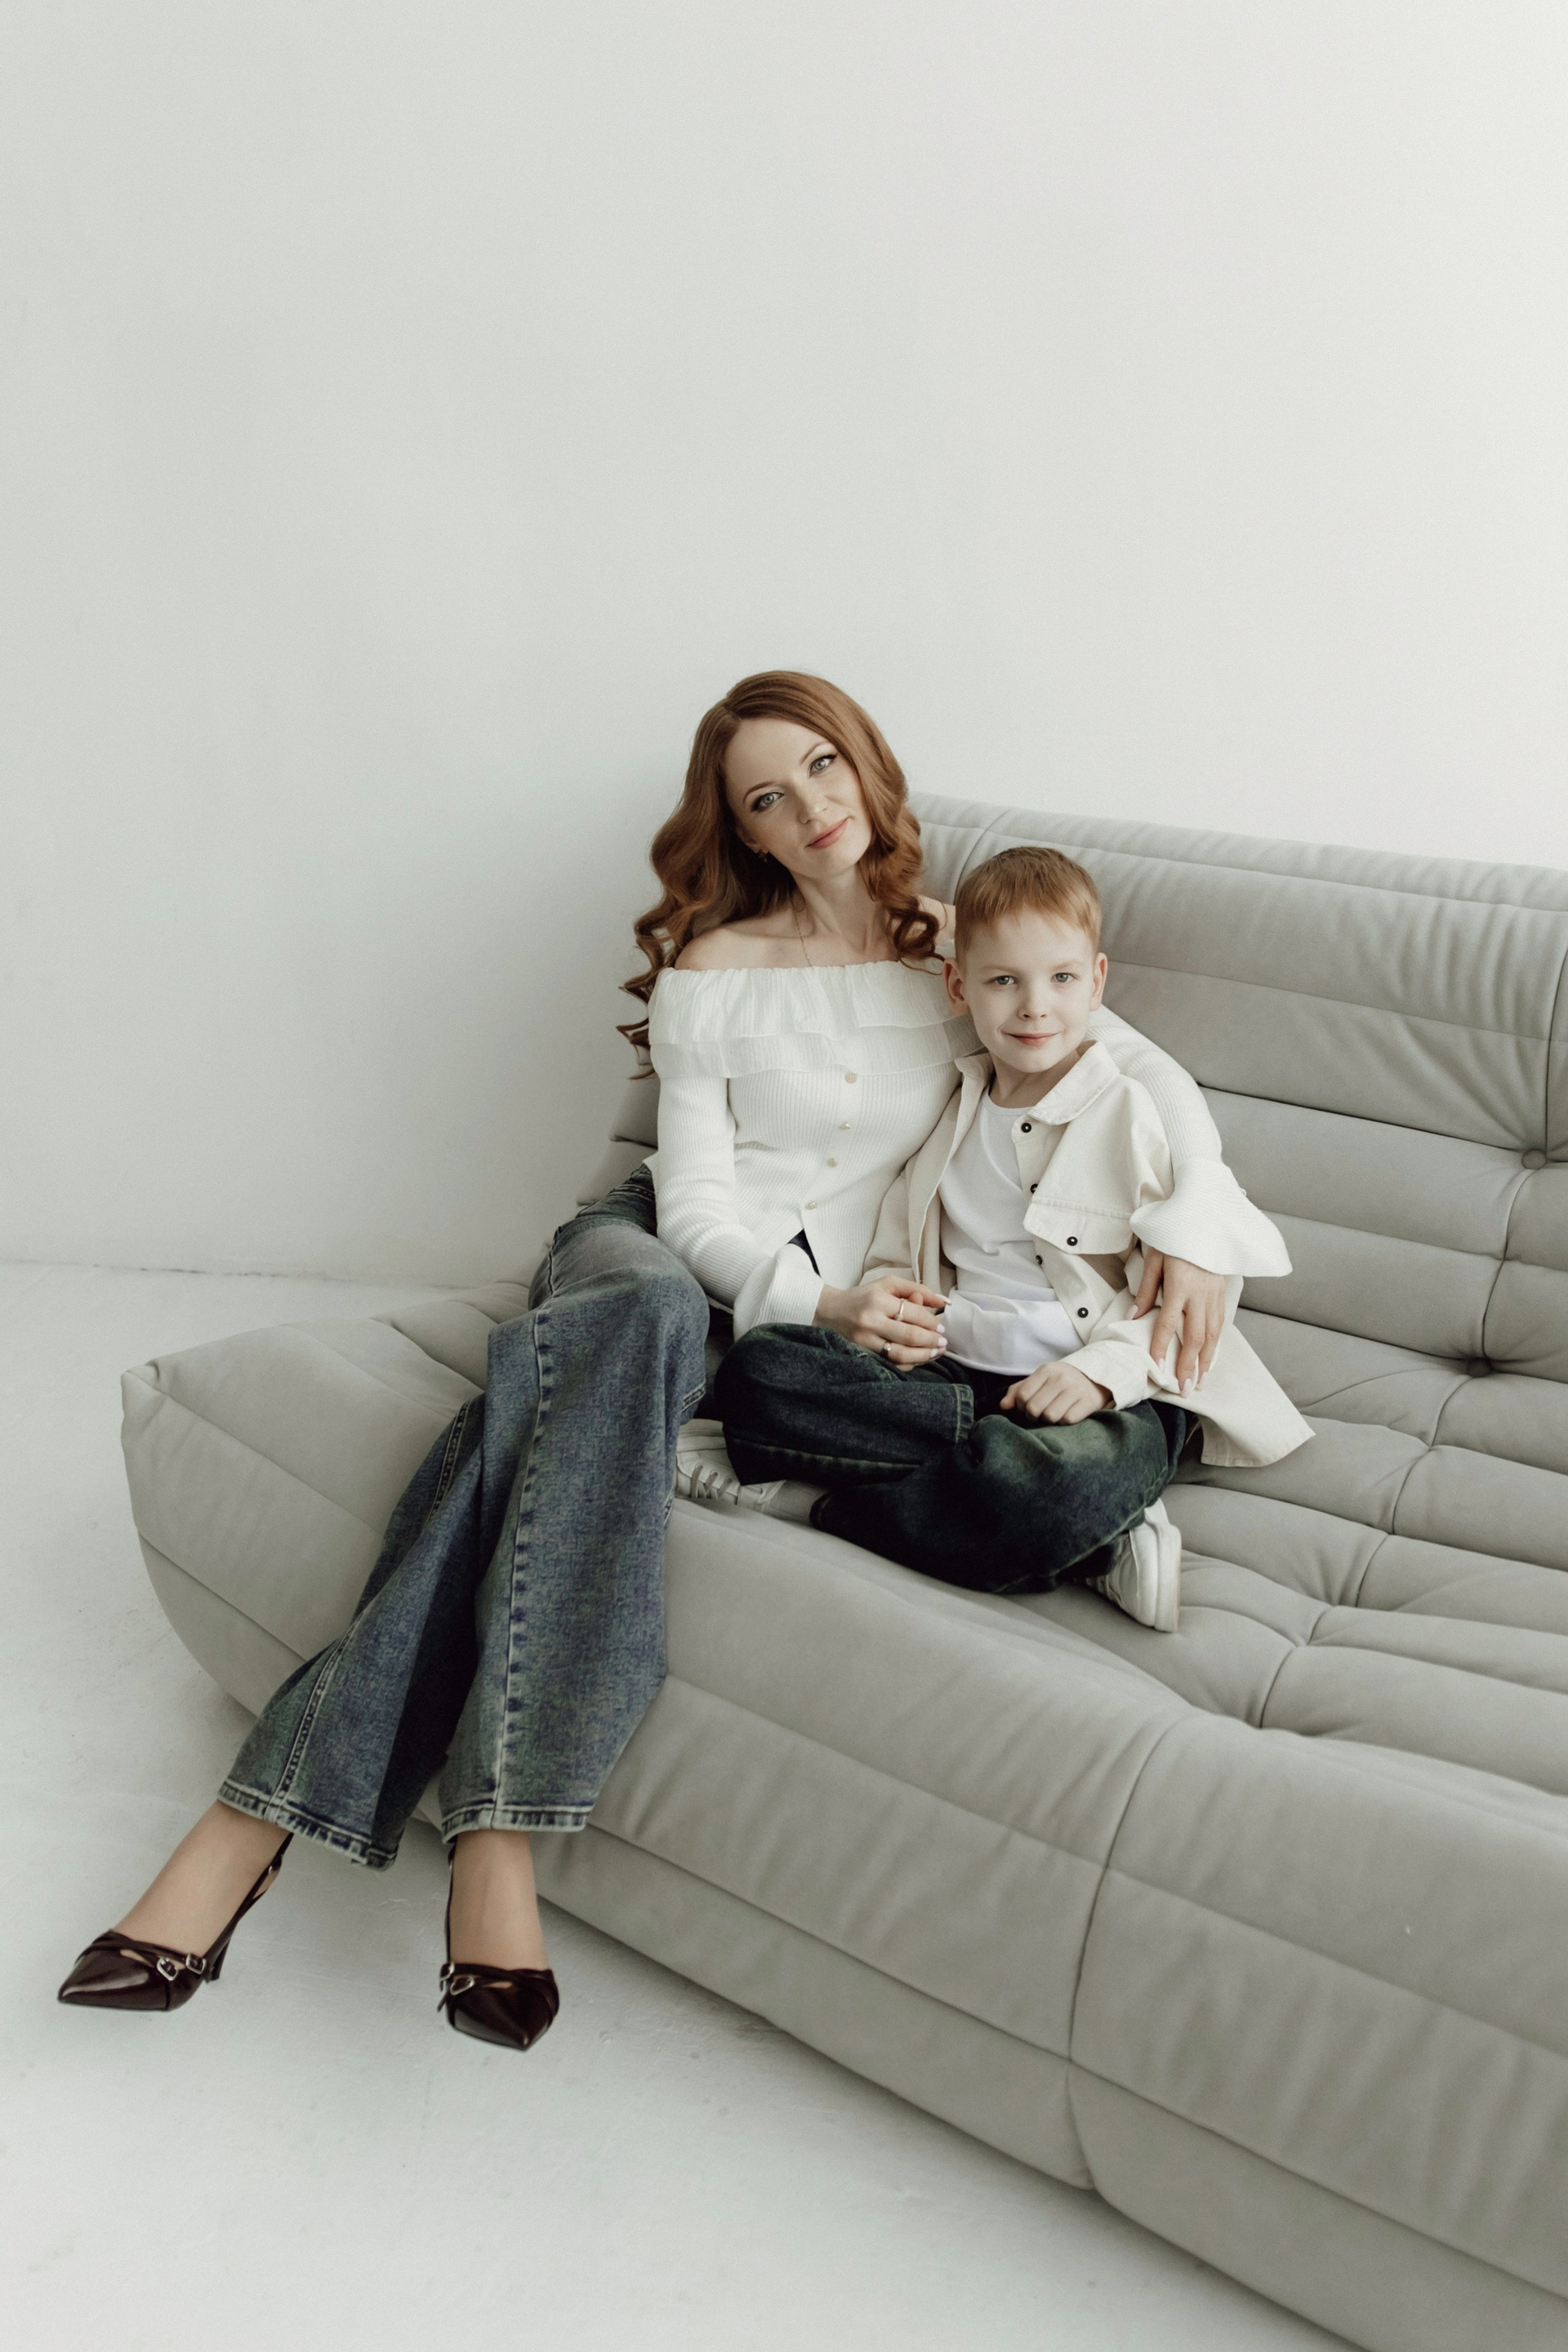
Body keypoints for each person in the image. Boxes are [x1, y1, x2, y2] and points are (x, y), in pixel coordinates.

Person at [57, 672, 1253, 2047]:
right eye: (769, 796)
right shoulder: (714, 966)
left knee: (523, 1436)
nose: (811, 808)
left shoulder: (958, 947)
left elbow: (1139, 1070)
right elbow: (690, 1213)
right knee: (644, 1318)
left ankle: (247, 1830)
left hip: (787, 1339)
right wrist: (820, 1302)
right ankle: (496, 1846)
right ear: (742, 829)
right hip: (655, 1263)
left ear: (865, 764)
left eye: (824, 766)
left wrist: (1198, 1232)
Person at [715, 844, 1311, 1632]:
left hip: (1099, 1396)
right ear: (959, 986)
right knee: (760, 1372)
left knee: (1058, 1490)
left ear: (1097, 981)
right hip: (955, 1378)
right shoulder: (950, 1111)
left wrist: (1100, 1376)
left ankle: (834, 1508)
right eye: (1004, 981)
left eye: (1061, 978)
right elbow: (900, 1245)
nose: (1035, 1007)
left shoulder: (1129, 1114)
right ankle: (1057, 1521)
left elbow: (1198, 1293)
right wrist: (894, 1317)